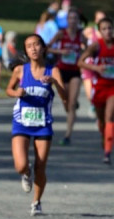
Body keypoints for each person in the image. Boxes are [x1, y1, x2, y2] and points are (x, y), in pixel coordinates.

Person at [6, 34, 67, 216]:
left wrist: (55, 83)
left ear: (43, 48)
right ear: (25, 51)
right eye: (29, 46)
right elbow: (9, 89)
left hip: (43, 123)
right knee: (20, 165)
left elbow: (65, 97)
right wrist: (17, 92)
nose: (33, 48)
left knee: (41, 166)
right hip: (21, 122)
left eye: (36, 45)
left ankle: (37, 202)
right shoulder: (20, 70)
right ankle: (26, 173)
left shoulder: (53, 71)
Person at [78, 17, 114, 164]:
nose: (108, 31)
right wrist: (96, 68)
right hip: (99, 87)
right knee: (102, 121)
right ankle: (104, 136)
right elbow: (80, 62)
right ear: (99, 32)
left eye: (110, 28)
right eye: (104, 29)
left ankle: (107, 152)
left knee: (109, 117)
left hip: (113, 88)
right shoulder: (96, 46)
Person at [47, 7, 86, 145]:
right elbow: (47, 47)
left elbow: (87, 50)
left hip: (75, 71)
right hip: (62, 71)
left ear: (78, 21)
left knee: (72, 103)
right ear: (67, 20)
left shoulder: (81, 36)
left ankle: (68, 135)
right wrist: (60, 51)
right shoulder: (61, 34)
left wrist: (82, 52)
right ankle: (71, 106)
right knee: (67, 104)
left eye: (75, 19)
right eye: (70, 18)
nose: (73, 21)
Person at [81, 10, 106, 119]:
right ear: (95, 20)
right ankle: (94, 107)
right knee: (90, 95)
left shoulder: (108, 33)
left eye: (103, 18)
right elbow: (79, 39)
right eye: (99, 18)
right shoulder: (89, 31)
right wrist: (83, 48)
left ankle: (101, 115)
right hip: (89, 66)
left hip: (101, 67)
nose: (100, 20)